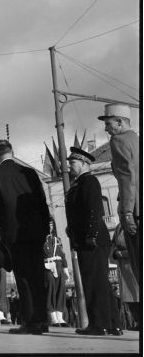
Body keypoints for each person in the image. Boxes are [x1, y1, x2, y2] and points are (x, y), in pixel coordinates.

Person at [0, 140, 50, 335]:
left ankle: (31, 321)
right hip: (36, 232)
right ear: (13, 151)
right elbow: (42, 202)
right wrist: (45, 229)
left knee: (23, 277)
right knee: (38, 276)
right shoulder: (29, 173)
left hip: (13, 234)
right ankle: (42, 319)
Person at [65, 146, 121, 336]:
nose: (69, 166)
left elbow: (94, 210)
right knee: (100, 281)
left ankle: (98, 324)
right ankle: (113, 323)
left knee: (93, 282)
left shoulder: (88, 181)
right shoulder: (79, 183)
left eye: (72, 163)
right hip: (88, 238)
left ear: (83, 164)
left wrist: (91, 235)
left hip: (92, 240)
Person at [98, 103, 140, 282]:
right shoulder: (137, 140)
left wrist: (127, 212)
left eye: (109, 124)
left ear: (120, 122)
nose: (106, 129)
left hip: (136, 210)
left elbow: (126, 178)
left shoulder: (118, 141)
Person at [111, 220, 139, 330]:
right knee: (129, 297)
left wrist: (122, 253)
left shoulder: (136, 224)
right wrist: (115, 253)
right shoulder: (119, 227)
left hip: (134, 265)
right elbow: (113, 244)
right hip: (123, 267)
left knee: (137, 294)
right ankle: (138, 321)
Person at [43, 219, 70, 327]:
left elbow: (63, 255)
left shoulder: (57, 240)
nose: (50, 227)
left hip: (58, 265)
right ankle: (52, 315)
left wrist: (66, 269)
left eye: (51, 225)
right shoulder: (43, 240)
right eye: (48, 224)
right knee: (50, 290)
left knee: (60, 291)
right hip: (48, 266)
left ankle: (60, 316)